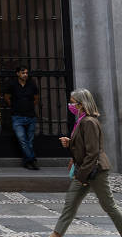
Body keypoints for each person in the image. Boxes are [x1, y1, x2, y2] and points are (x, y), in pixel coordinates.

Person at [51, 89, 122, 237]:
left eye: (72, 102)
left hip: (95, 171)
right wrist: (70, 143)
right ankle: (56, 235)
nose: (70, 105)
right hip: (84, 169)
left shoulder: (88, 122)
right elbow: (84, 146)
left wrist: (81, 177)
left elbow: (93, 152)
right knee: (70, 204)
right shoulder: (81, 120)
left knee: (108, 205)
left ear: (81, 105)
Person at [4, 65, 40, 170]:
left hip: (30, 116)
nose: (25, 75)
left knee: (30, 141)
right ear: (18, 73)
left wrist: (28, 106)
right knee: (22, 140)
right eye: (23, 73)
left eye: (26, 73)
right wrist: (15, 106)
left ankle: (27, 161)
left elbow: (36, 98)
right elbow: (7, 97)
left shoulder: (32, 84)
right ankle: (32, 159)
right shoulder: (12, 85)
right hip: (17, 117)